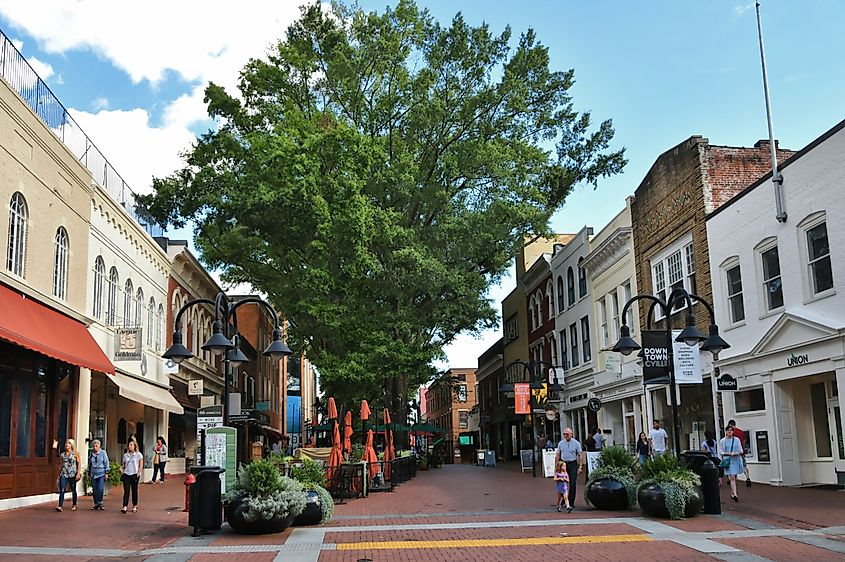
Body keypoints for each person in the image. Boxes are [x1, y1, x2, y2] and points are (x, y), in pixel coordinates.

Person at [554, 427, 583, 510]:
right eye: (564, 434)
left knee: (573, 483)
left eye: (567, 434)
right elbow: (558, 454)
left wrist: (580, 466)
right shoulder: (561, 443)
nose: (565, 436)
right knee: (562, 483)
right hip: (563, 463)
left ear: (571, 434)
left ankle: (571, 501)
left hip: (573, 463)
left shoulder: (576, 443)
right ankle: (564, 500)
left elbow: (580, 455)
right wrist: (556, 465)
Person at [719, 424, 744, 502]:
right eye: (728, 430)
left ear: (733, 431)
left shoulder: (737, 440)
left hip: (736, 459)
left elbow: (741, 450)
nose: (729, 432)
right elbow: (721, 452)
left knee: (734, 477)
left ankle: (732, 493)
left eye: (731, 430)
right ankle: (735, 494)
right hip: (729, 460)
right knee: (732, 476)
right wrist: (729, 453)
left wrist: (737, 453)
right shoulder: (723, 441)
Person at [56, 439, 82, 512]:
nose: (67, 444)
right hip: (64, 473)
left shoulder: (75, 454)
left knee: (73, 490)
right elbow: (61, 465)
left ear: (72, 445)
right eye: (66, 443)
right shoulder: (62, 454)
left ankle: (74, 504)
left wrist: (78, 473)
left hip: (72, 474)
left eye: (69, 443)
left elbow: (79, 463)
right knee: (62, 490)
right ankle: (60, 505)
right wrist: (58, 475)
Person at [121, 439, 143, 513]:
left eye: (131, 445)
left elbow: (140, 465)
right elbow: (124, 465)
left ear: (134, 446)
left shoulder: (138, 454)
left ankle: (134, 505)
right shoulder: (125, 455)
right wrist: (121, 469)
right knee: (126, 490)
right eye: (129, 445)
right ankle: (125, 506)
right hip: (127, 474)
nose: (129, 446)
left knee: (134, 490)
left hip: (134, 474)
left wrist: (139, 472)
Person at [727, 420, 752, 487]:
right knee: (744, 465)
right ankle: (748, 478)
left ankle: (733, 479)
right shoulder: (741, 431)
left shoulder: (731, 432)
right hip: (741, 452)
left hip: (733, 452)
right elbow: (744, 441)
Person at [88, 439, 109, 510]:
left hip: (101, 473)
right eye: (93, 446)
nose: (95, 447)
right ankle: (96, 503)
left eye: (96, 446)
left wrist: (106, 472)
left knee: (100, 489)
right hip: (93, 473)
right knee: (95, 489)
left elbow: (106, 462)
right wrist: (89, 473)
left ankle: (100, 502)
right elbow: (90, 464)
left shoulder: (103, 453)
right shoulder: (91, 453)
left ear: (99, 446)